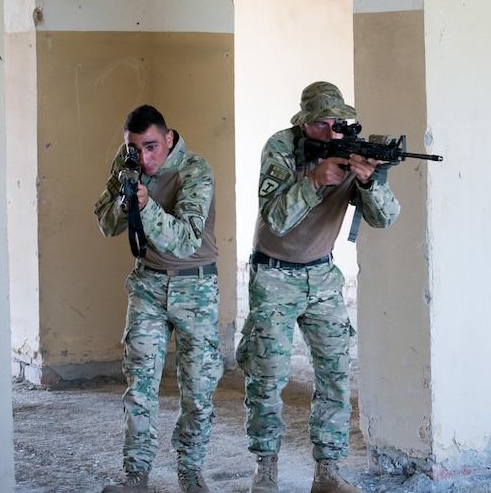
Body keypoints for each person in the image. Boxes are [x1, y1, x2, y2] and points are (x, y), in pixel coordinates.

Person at [236, 81, 401, 493]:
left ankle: (327, 471)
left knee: (334, 372)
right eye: (322, 124)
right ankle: (266, 466)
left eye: (338, 123)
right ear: (304, 124)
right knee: (268, 373)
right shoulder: (281, 147)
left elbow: (385, 218)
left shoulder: (352, 148)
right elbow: (273, 217)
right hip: (274, 274)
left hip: (322, 275)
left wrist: (368, 183)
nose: (332, 132)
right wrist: (313, 179)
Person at [94, 104, 224, 493]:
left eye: (151, 147)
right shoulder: (129, 162)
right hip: (148, 285)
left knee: (198, 389)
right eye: (135, 148)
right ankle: (136, 476)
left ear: (169, 139)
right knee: (139, 387)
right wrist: (124, 197)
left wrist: (146, 204)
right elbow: (105, 224)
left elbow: (184, 241)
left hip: (195, 287)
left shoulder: (196, 170)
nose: (144, 158)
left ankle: (190, 471)